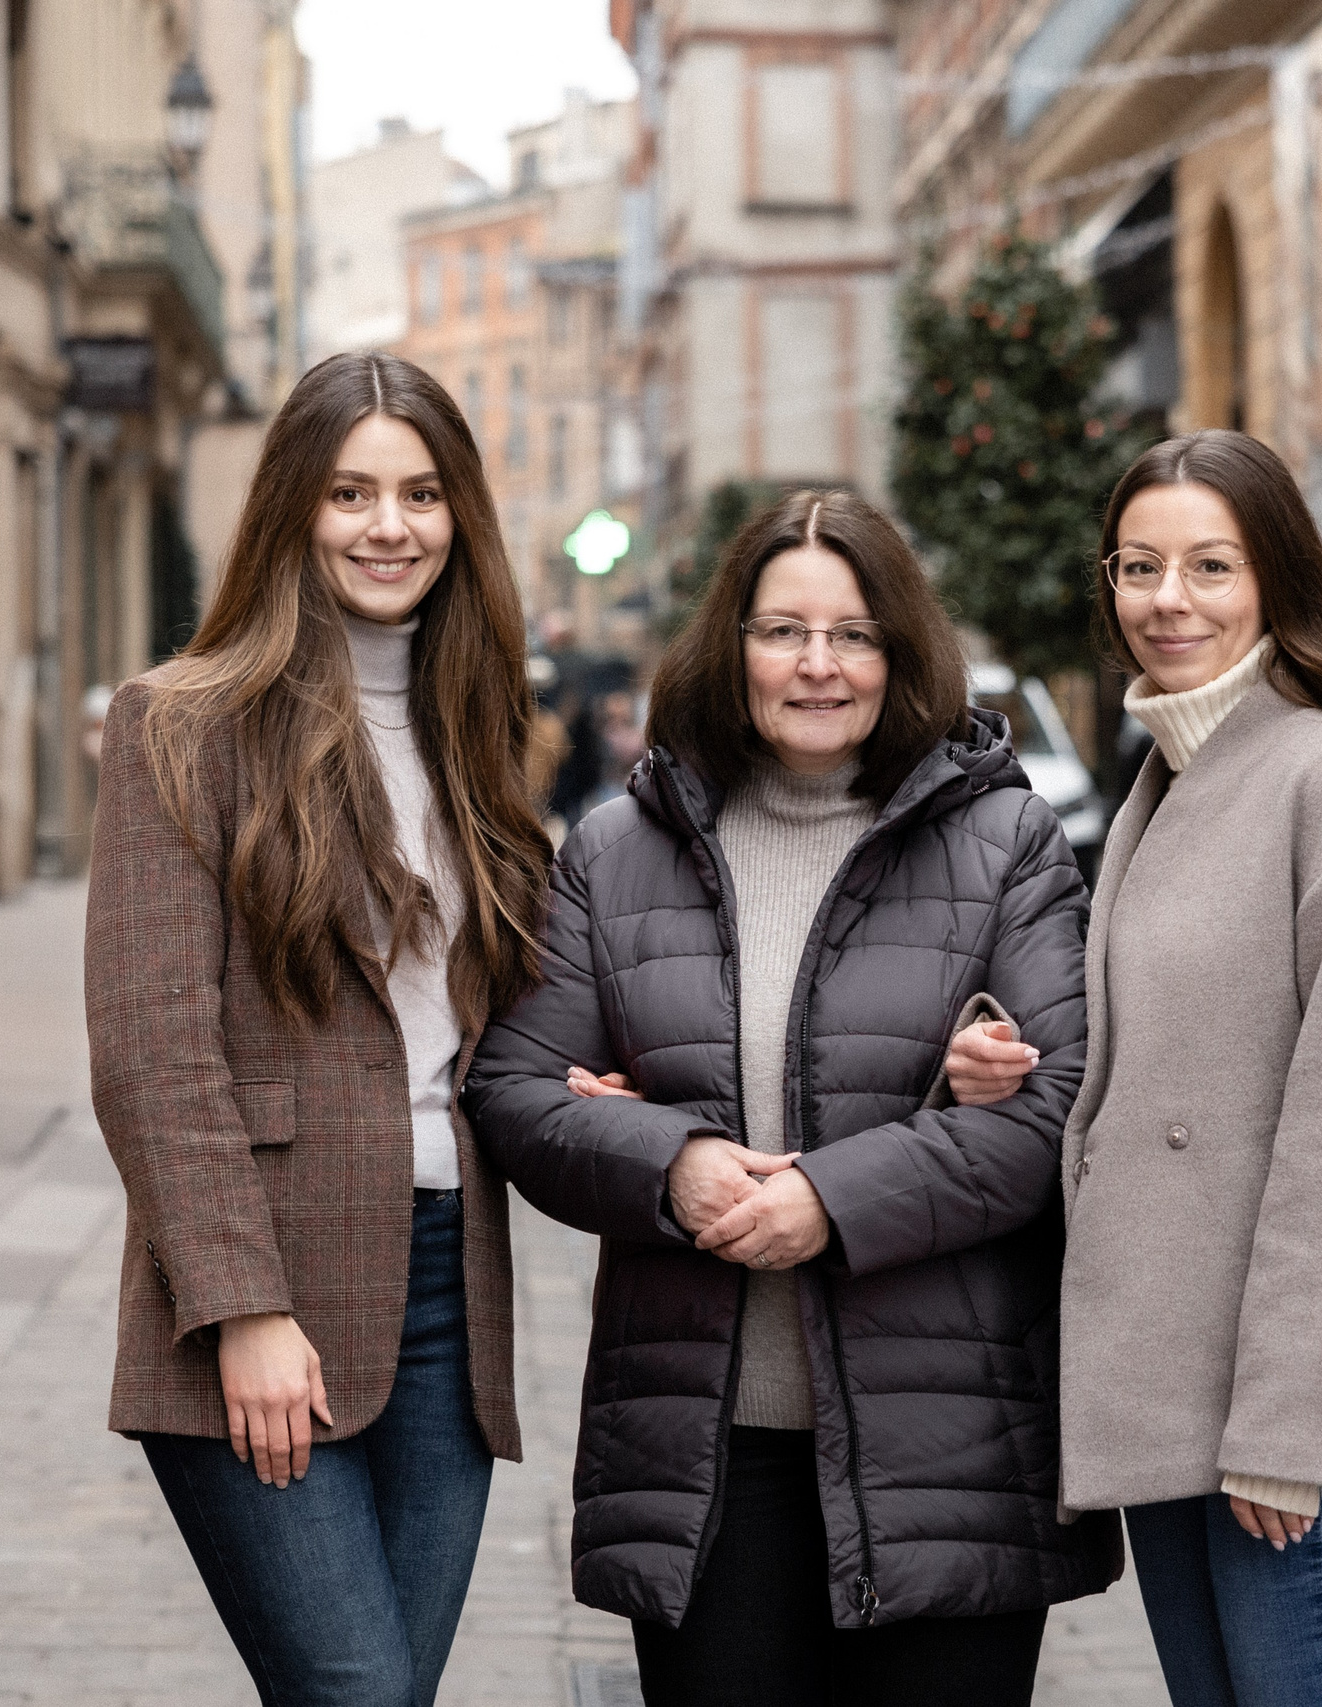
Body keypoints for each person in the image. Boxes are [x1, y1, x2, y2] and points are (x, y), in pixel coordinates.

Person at [463, 489, 1120, 1707]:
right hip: (703, 1457)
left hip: (949, 1450)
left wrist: (828, 1197)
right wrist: (673, 1165)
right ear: (732, 647)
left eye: (854, 634)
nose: (818, 664)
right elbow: (511, 1087)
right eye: (782, 631)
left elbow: (1055, 1111)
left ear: (900, 651)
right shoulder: (616, 853)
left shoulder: (1007, 843)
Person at [977, 430, 1322, 1707]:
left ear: (1277, 578)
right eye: (1139, 565)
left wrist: (1285, 1433)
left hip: (1304, 1424)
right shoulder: (1174, 773)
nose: (1170, 600)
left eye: (1210, 565)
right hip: (1180, 1389)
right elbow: (1196, 1061)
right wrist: (1023, 1068)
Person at [84, 351, 553, 1707]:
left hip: (445, 1300)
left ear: (461, 513)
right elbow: (150, 1044)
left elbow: (499, 1013)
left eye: (419, 491)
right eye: (349, 490)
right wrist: (243, 1305)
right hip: (263, 1286)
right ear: (293, 507)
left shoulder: (483, 732)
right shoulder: (184, 724)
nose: (387, 523)